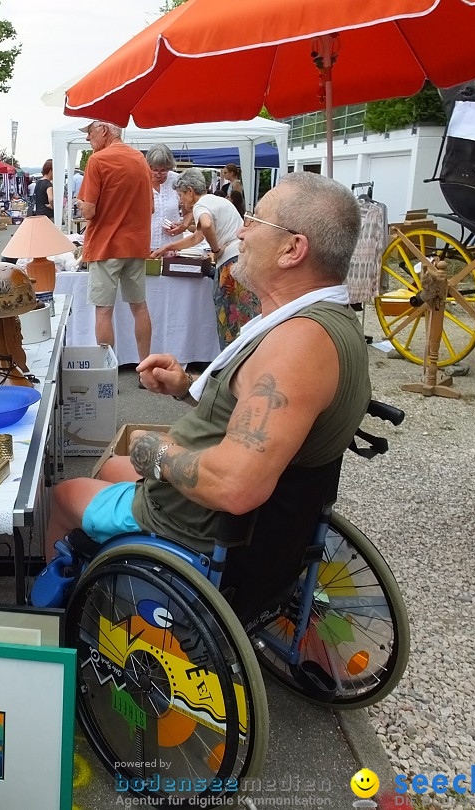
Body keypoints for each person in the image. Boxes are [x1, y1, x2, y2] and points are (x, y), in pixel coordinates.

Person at [49, 171, 370, 622]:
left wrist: (154, 450)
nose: (241, 229)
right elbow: (261, 416)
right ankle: (110, 558)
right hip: (238, 508)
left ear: (293, 249)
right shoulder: (326, 321)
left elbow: (236, 486)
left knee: (65, 494)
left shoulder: (299, 346)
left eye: (256, 221)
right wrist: (186, 387)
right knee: (112, 466)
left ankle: (58, 623)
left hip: (201, 522)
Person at [153, 168, 256, 350]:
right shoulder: (216, 201)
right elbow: (197, 237)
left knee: (228, 320)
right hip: (244, 258)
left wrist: (215, 249)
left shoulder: (201, 205)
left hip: (231, 264)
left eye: (180, 195)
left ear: (190, 191)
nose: (180, 200)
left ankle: (229, 364)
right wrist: (168, 247)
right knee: (247, 317)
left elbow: (206, 226)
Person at [78, 120, 154, 362]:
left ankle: (106, 371)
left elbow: (89, 211)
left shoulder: (97, 160)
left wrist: (81, 204)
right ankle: (145, 365)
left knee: (104, 311)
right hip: (136, 244)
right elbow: (150, 208)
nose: (88, 139)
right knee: (139, 306)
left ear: (104, 130)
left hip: (105, 246)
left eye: (90, 133)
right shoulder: (140, 159)